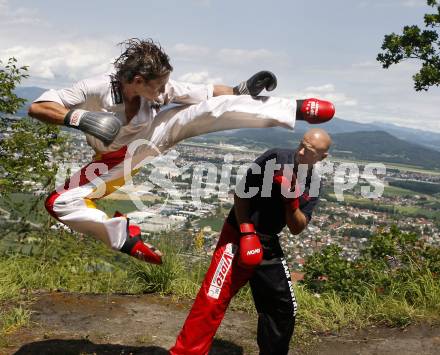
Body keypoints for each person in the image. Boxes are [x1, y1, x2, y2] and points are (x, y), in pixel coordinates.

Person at [28, 38, 335, 266]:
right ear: (137, 81)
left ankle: (295, 109)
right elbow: (38, 106)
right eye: (158, 87)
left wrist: (242, 88)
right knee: (59, 202)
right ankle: (123, 236)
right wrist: (81, 119)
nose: (164, 92)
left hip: (153, 136)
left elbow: (208, 93)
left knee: (202, 111)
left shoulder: (162, 88)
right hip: (113, 158)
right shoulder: (93, 88)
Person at [170, 128, 332, 355]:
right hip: (238, 231)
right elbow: (241, 192)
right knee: (213, 297)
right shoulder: (276, 158)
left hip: (268, 242)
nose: (301, 151)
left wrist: (291, 203)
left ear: (322, 157)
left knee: (283, 307)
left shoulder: (313, 183)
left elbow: (297, 227)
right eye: (301, 144)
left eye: (310, 150)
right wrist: (246, 232)